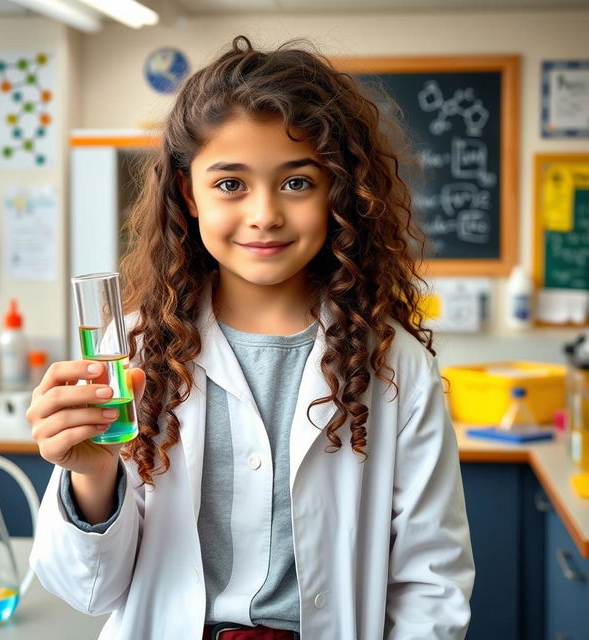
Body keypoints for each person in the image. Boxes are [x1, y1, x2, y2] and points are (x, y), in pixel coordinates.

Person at [27, 35, 474, 640]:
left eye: (296, 183)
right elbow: (87, 590)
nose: (264, 213)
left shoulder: (396, 365)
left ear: (337, 191)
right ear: (189, 194)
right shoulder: (131, 350)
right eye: (231, 184)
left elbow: (432, 585)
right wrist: (91, 476)